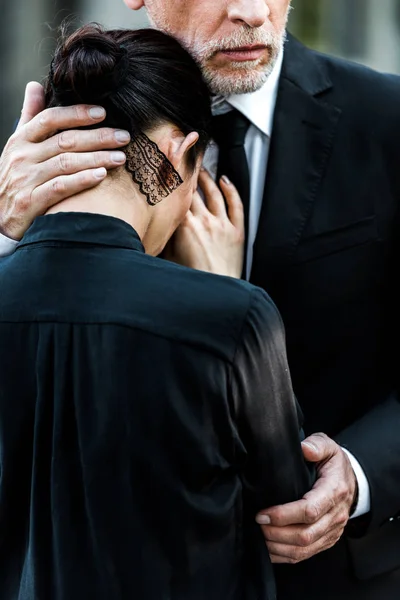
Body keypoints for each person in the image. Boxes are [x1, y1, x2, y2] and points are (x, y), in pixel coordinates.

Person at [0, 1, 399, 599]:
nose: (249, 11)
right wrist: (6, 227)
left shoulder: (387, 120)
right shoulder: (57, 132)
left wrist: (364, 474)